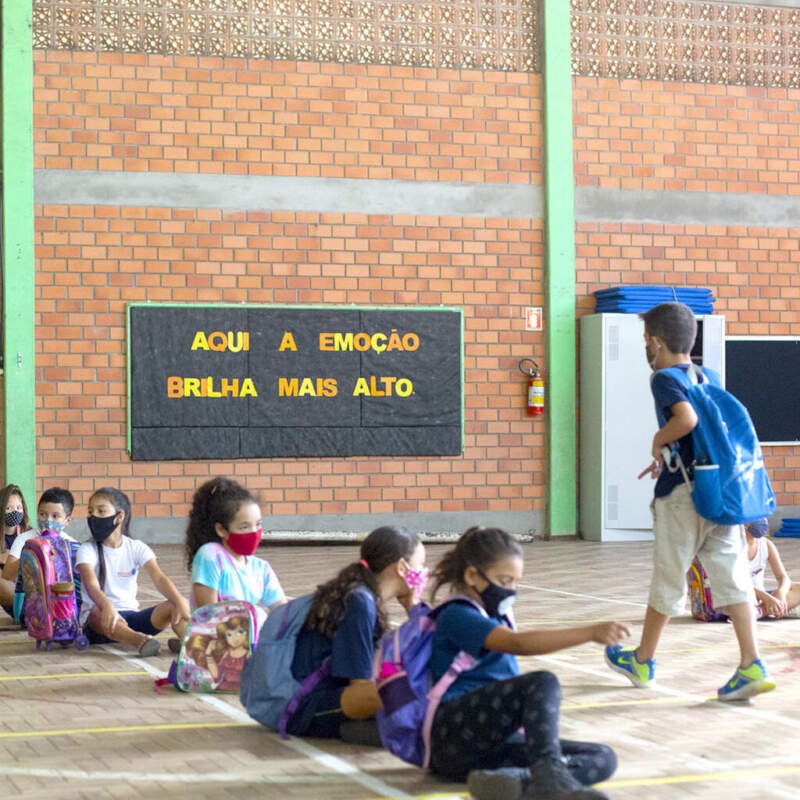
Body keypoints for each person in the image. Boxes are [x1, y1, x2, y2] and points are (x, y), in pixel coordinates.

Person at [605, 301, 774, 701]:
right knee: (732, 576)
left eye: (646, 339)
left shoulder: (663, 378)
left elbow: (687, 421)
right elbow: (706, 437)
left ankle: (642, 659)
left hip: (683, 497)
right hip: (719, 492)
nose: (646, 346)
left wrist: (658, 440)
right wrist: (668, 454)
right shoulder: (708, 375)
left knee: (669, 575)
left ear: (656, 342)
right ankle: (751, 663)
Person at [427, 526, 628, 800]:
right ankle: (548, 780)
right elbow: (517, 644)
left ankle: (520, 782)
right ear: (472, 575)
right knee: (542, 683)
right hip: (454, 737)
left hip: (493, 744)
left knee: (602, 757)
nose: (511, 590)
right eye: (505, 580)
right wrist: (590, 633)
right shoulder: (457, 615)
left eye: (515, 582)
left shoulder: (494, 614)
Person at [287, 525, 426, 739]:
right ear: (402, 568)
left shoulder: (363, 596)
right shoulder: (359, 601)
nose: (423, 573)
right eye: (420, 565)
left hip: (327, 699)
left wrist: (412, 605)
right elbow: (360, 686)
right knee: (407, 690)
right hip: (305, 708)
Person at [76, 486, 190, 657]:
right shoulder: (86, 549)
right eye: (91, 511)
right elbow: (91, 585)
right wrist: (107, 606)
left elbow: (159, 577)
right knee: (94, 612)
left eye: (101, 511)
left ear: (119, 516)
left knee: (175, 605)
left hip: (131, 617)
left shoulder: (136, 547)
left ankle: (187, 642)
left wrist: (179, 600)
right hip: (99, 622)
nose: (94, 517)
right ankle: (140, 641)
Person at [185, 477, 286, 625]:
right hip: (219, 636)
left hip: (248, 636)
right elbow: (207, 615)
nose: (254, 532)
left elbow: (282, 609)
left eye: (258, 524)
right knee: (259, 614)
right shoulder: (210, 556)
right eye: (244, 527)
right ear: (221, 530)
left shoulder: (261, 568)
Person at [0, 487, 76, 619]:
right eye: (43, 514)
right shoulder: (24, 539)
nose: (48, 520)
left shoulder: (71, 544)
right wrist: (30, 553)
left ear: (67, 520)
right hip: (27, 603)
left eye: (55, 516)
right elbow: (7, 576)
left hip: (60, 604)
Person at [744, 518, 800, 619]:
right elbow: (733, 584)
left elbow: (783, 577)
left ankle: (759, 611)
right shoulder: (733, 548)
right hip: (739, 596)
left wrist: (781, 592)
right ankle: (762, 610)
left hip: (760, 598)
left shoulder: (766, 544)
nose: (762, 520)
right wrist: (766, 597)